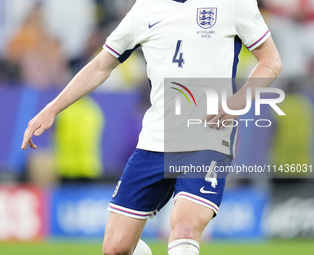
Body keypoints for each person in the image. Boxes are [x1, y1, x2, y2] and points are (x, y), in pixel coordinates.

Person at [21, 0, 282, 254]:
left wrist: (239, 100)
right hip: (155, 141)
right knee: (116, 247)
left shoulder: (233, 3)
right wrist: (51, 108)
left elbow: (271, 61)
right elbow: (102, 65)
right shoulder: (145, 7)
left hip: (209, 136)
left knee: (183, 230)